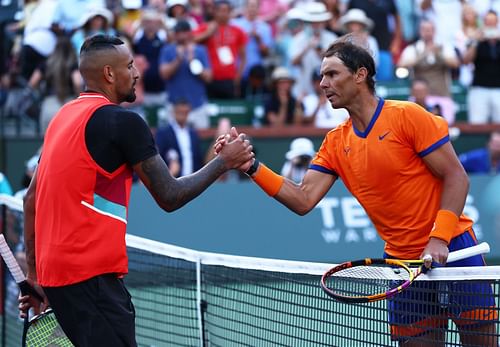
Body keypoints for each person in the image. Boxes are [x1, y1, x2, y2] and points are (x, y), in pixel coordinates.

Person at [215, 35, 497, 346]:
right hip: (401, 267)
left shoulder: (407, 116)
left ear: (360, 75)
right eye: (322, 75)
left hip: (454, 249)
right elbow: (303, 199)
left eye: (332, 74)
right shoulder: (335, 143)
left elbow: (457, 177)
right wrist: (251, 167)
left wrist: (439, 237)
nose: (323, 83)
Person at [18, 34, 253, 347]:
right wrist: (224, 162)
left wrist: (35, 277)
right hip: (92, 280)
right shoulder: (125, 123)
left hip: (57, 279)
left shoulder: (63, 116)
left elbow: (30, 198)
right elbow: (170, 196)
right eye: (129, 66)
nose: (137, 73)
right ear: (109, 74)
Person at [155, 99, 203, 177]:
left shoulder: (193, 134)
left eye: (185, 112)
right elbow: (158, 155)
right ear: (174, 112)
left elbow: (198, 158)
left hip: (194, 181)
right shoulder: (163, 133)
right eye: (180, 112)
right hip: (172, 180)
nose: (182, 115)